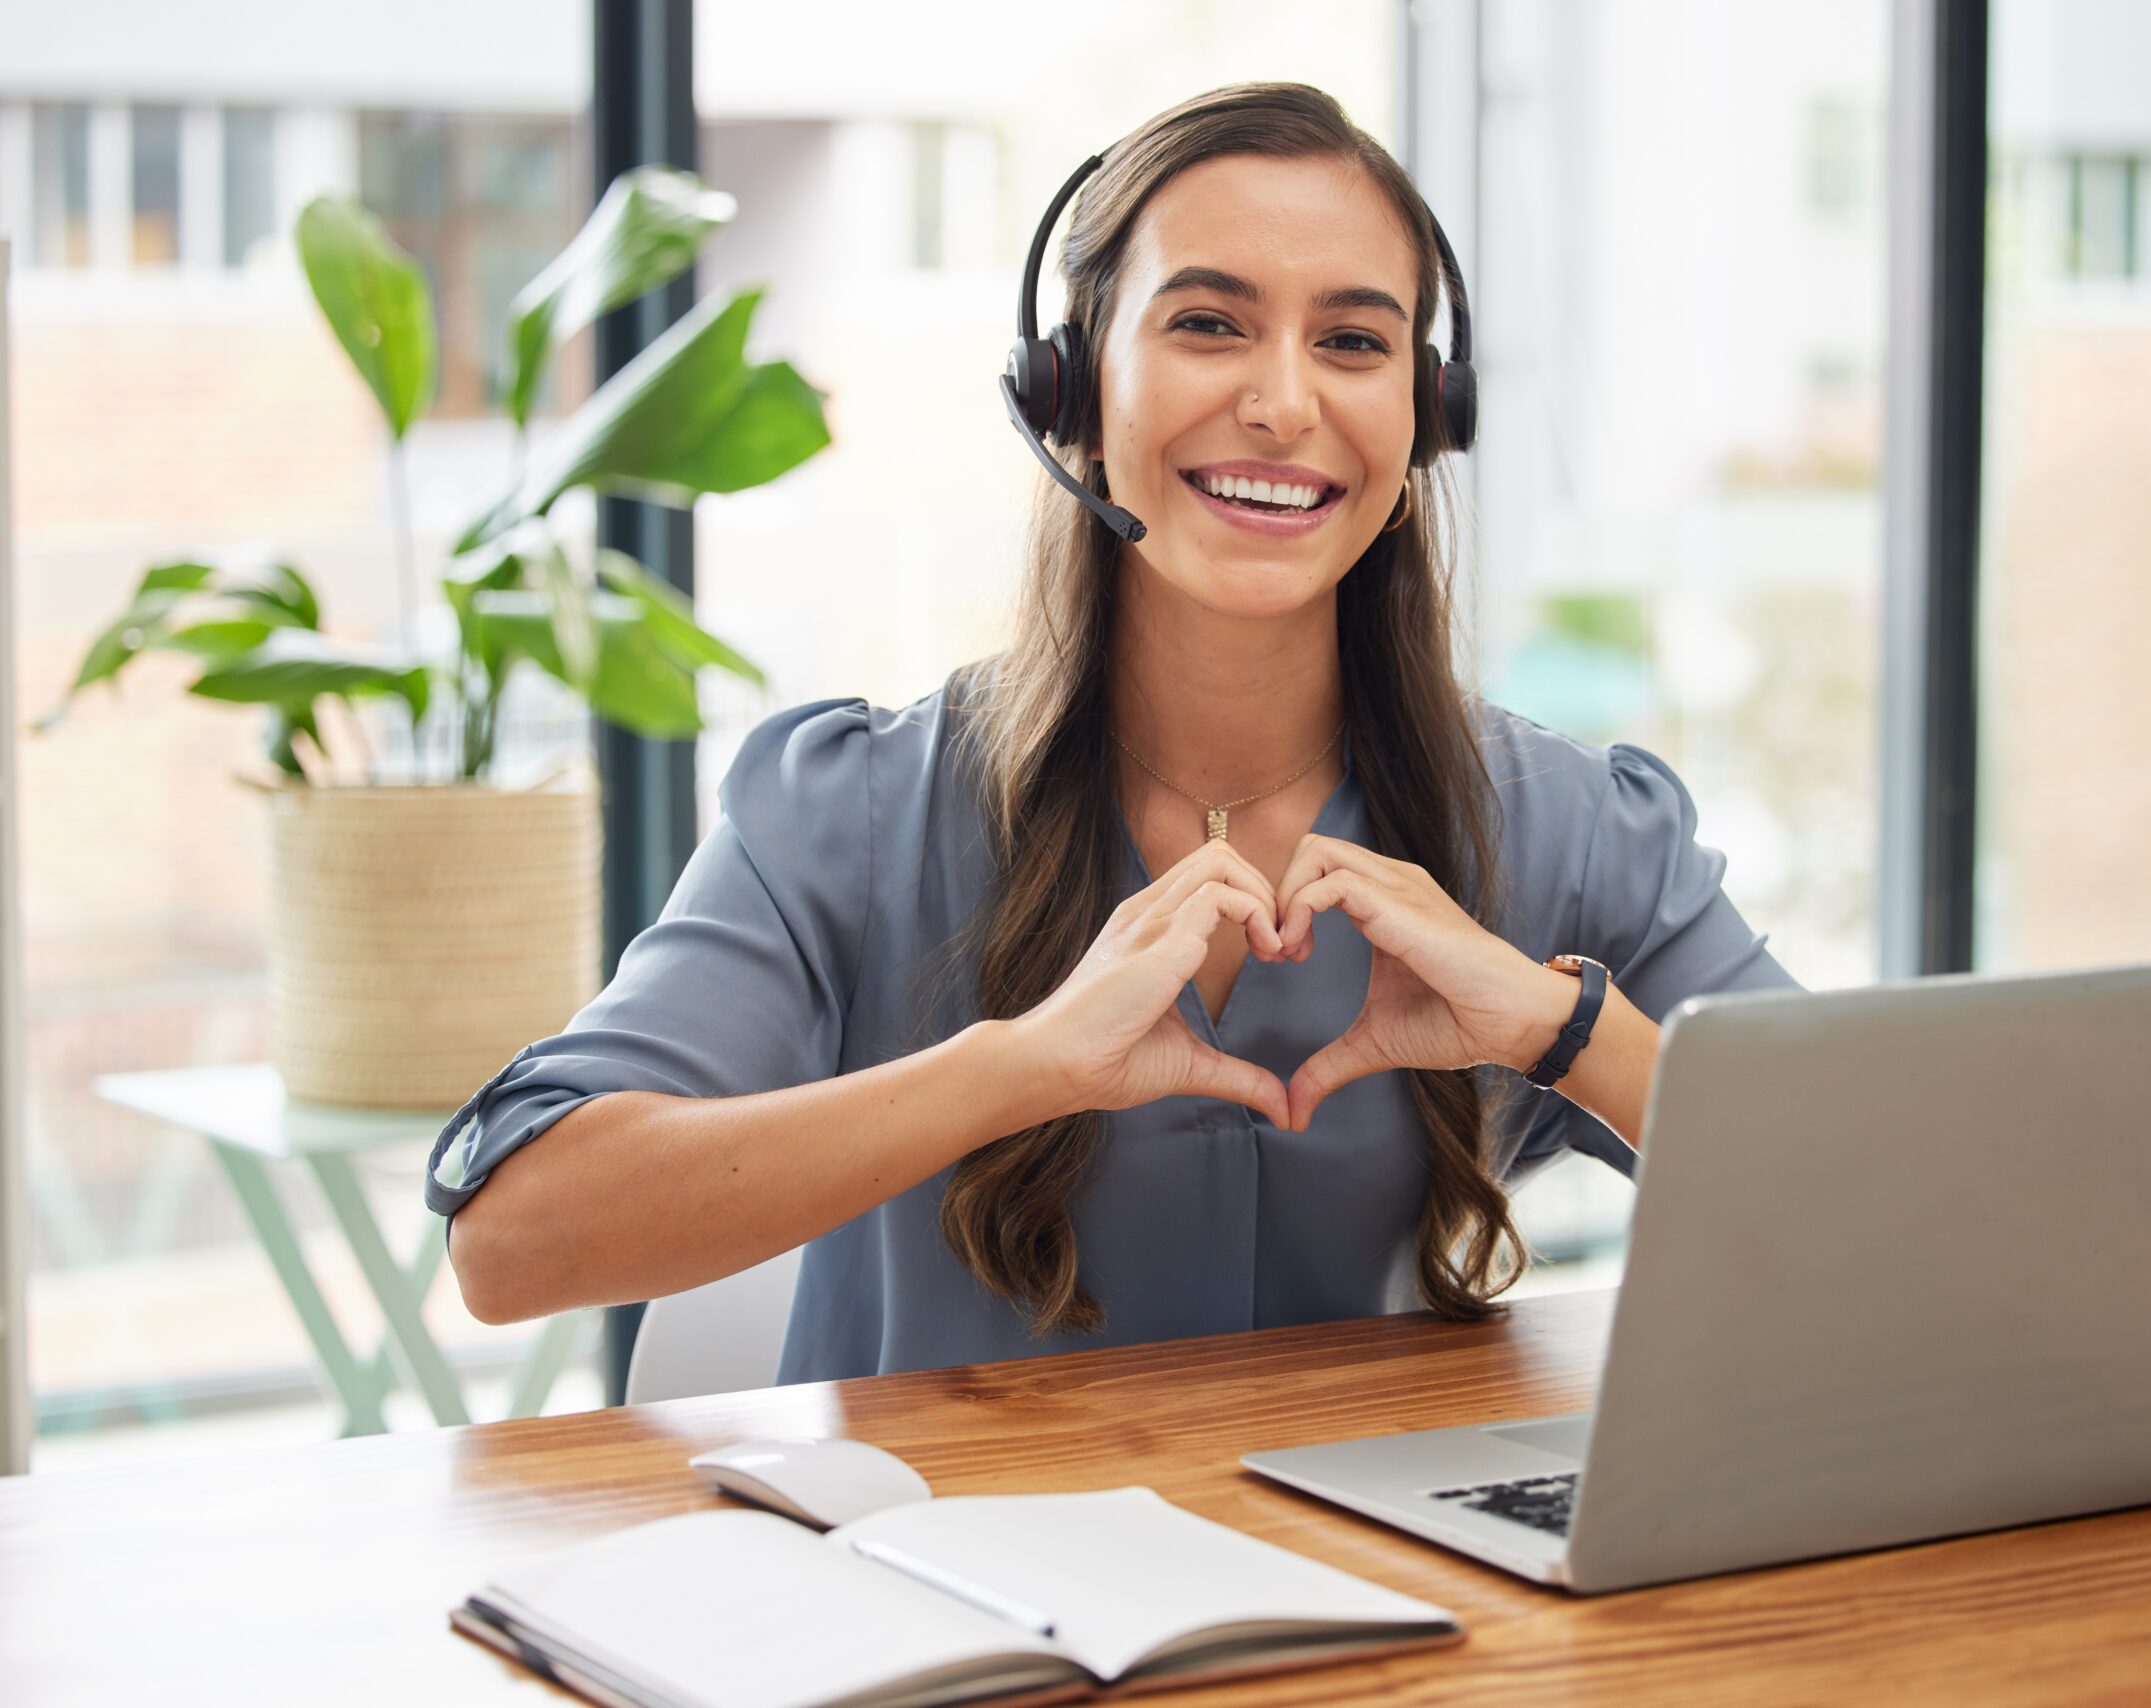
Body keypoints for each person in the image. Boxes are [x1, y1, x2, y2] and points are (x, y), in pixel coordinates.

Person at [433, 82, 1792, 1381]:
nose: (1284, 402)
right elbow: (510, 1239)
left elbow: (1909, 1210)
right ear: (1069, 392)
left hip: (1394, 1593)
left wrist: (1560, 1029)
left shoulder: (1562, 823)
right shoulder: (852, 812)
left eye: (1355, 341)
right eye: (1209, 324)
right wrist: (1017, 1068)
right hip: (934, 1590)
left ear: (1426, 420)